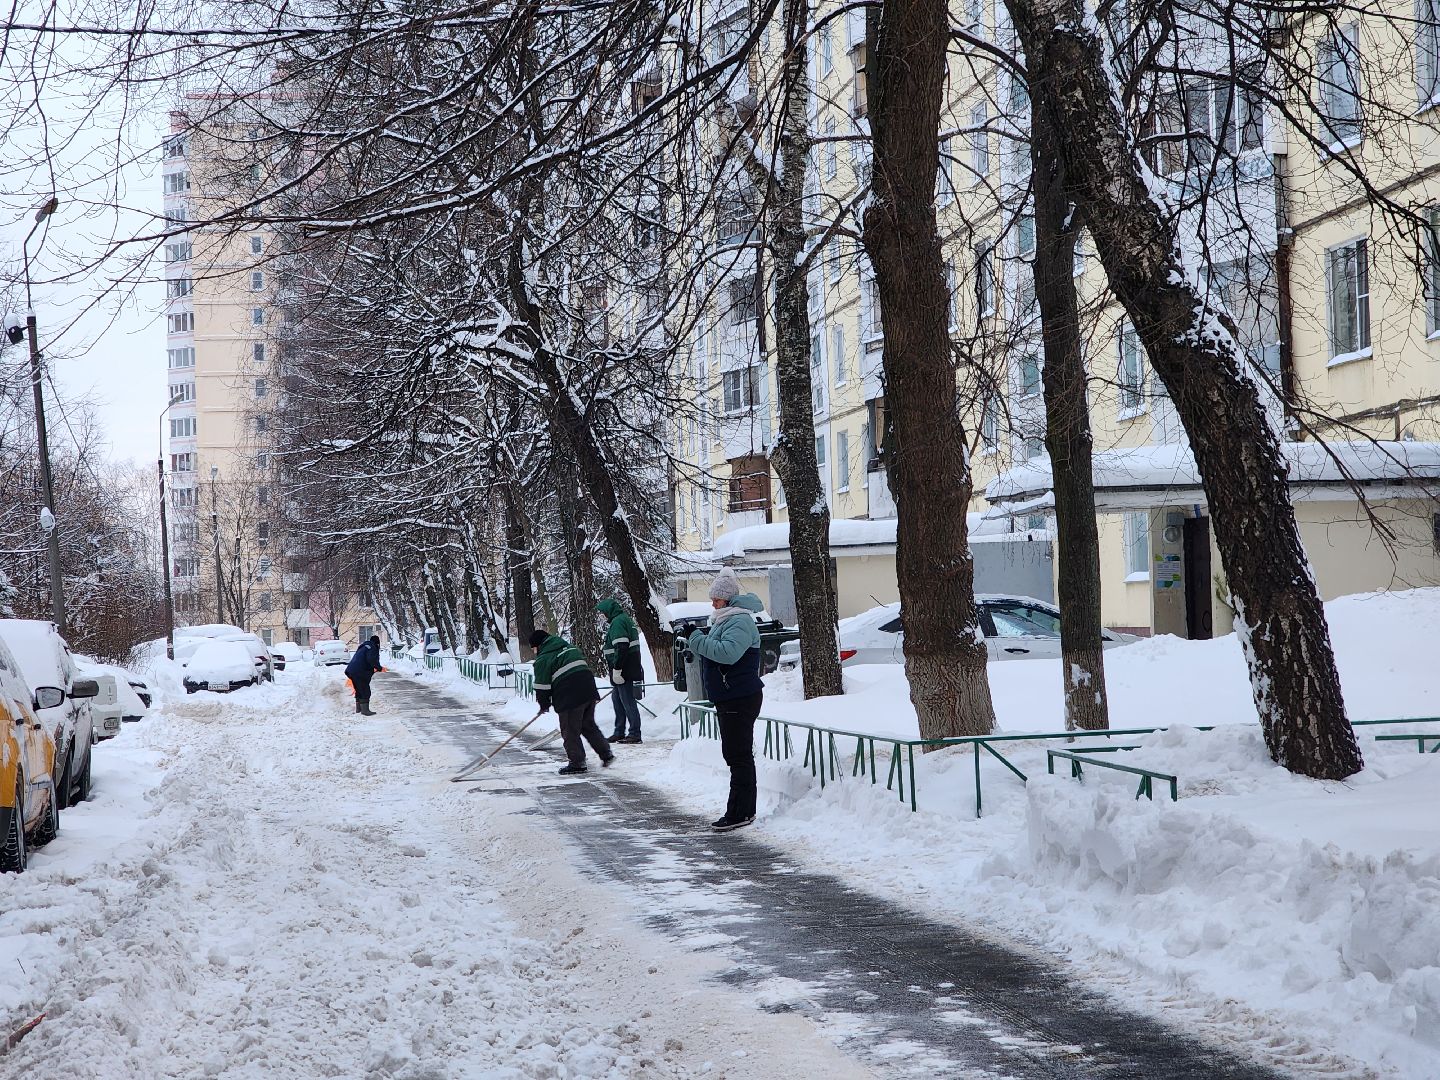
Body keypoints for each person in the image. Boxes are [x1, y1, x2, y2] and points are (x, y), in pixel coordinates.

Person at [685, 568, 765, 831]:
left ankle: (739, 813)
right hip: (732, 696)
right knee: (737, 754)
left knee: (738, 756)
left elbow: (727, 654)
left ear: (728, 600)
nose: (713, 604)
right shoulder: (726, 619)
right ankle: (743, 810)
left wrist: (696, 638)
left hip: (739, 697)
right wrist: (699, 637)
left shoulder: (739, 621)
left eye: (717, 600)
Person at [531, 629, 614, 775]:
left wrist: (544, 704)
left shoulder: (543, 659)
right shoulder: (570, 649)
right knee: (587, 725)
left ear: (538, 645)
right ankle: (606, 753)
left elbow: (542, 686)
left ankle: (577, 763)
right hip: (588, 689)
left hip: (570, 694)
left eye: (533, 648)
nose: (534, 651)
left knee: (570, 730)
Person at [597, 597, 645, 744]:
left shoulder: (618, 622)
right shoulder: (622, 620)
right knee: (617, 700)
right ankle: (619, 731)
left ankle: (634, 733)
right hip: (625, 666)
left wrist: (617, 669)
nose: (602, 616)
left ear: (609, 611)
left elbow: (621, 647)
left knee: (627, 700)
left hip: (624, 667)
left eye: (603, 612)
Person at [345, 635, 384, 716]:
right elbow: (371, 659)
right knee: (365, 690)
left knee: (359, 689)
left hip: (351, 670)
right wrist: (379, 668)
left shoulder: (364, 647)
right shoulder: (372, 647)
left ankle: (359, 709)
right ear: (377, 643)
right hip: (359, 671)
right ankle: (365, 711)